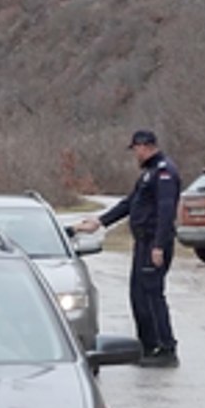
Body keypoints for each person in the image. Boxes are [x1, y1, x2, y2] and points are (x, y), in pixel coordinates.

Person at [74, 129, 181, 367]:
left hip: (153, 243)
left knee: (152, 296)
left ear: (144, 146)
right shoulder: (148, 174)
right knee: (139, 296)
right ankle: (147, 345)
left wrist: (159, 246)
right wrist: (100, 222)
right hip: (143, 243)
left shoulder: (164, 173)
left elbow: (166, 212)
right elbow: (129, 204)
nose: (135, 154)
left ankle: (165, 348)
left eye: (135, 149)